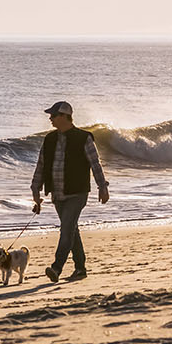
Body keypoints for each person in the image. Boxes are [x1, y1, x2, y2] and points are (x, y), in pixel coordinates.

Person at [31, 100, 109, 282]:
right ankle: (80, 268)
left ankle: (56, 268)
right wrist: (35, 189)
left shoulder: (84, 138)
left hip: (77, 193)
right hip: (57, 194)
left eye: (54, 115)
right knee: (71, 229)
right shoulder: (49, 139)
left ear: (65, 116)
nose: (50, 118)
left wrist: (102, 186)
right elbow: (41, 166)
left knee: (66, 229)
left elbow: (95, 163)